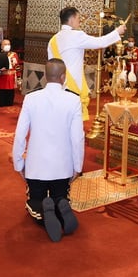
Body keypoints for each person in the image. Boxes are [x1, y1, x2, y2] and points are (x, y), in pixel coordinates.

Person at [11, 58, 83, 242]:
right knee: (61, 195)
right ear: (63, 77)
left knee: (33, 201)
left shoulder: (31, 99)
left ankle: (43, 211)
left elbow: (20, 134)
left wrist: (19, 164)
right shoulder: (74, 100)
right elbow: (77, 138)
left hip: (37, 168)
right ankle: (60, 204)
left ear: (45, 75)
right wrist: (77, 167)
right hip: (63, 167)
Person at [47, 7, 125, 121]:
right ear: (72, 19)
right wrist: (117, 32)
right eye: (78, 18)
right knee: (74, 120)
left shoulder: (53, 40)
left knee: (59, 118)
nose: (80, 21)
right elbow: (100, 42)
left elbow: (51, 63)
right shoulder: (76, 36)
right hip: (73, 85)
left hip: (57, 85)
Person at [0, 38, 20, 107]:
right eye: (5, 44)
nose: (7, 46)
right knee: (1, 102)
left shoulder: (14, 55)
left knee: (10, 102)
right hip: (1, 78)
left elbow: (17, 67)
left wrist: (19, 77)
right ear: (1, 46)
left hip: (11, 79)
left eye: (8, 44)